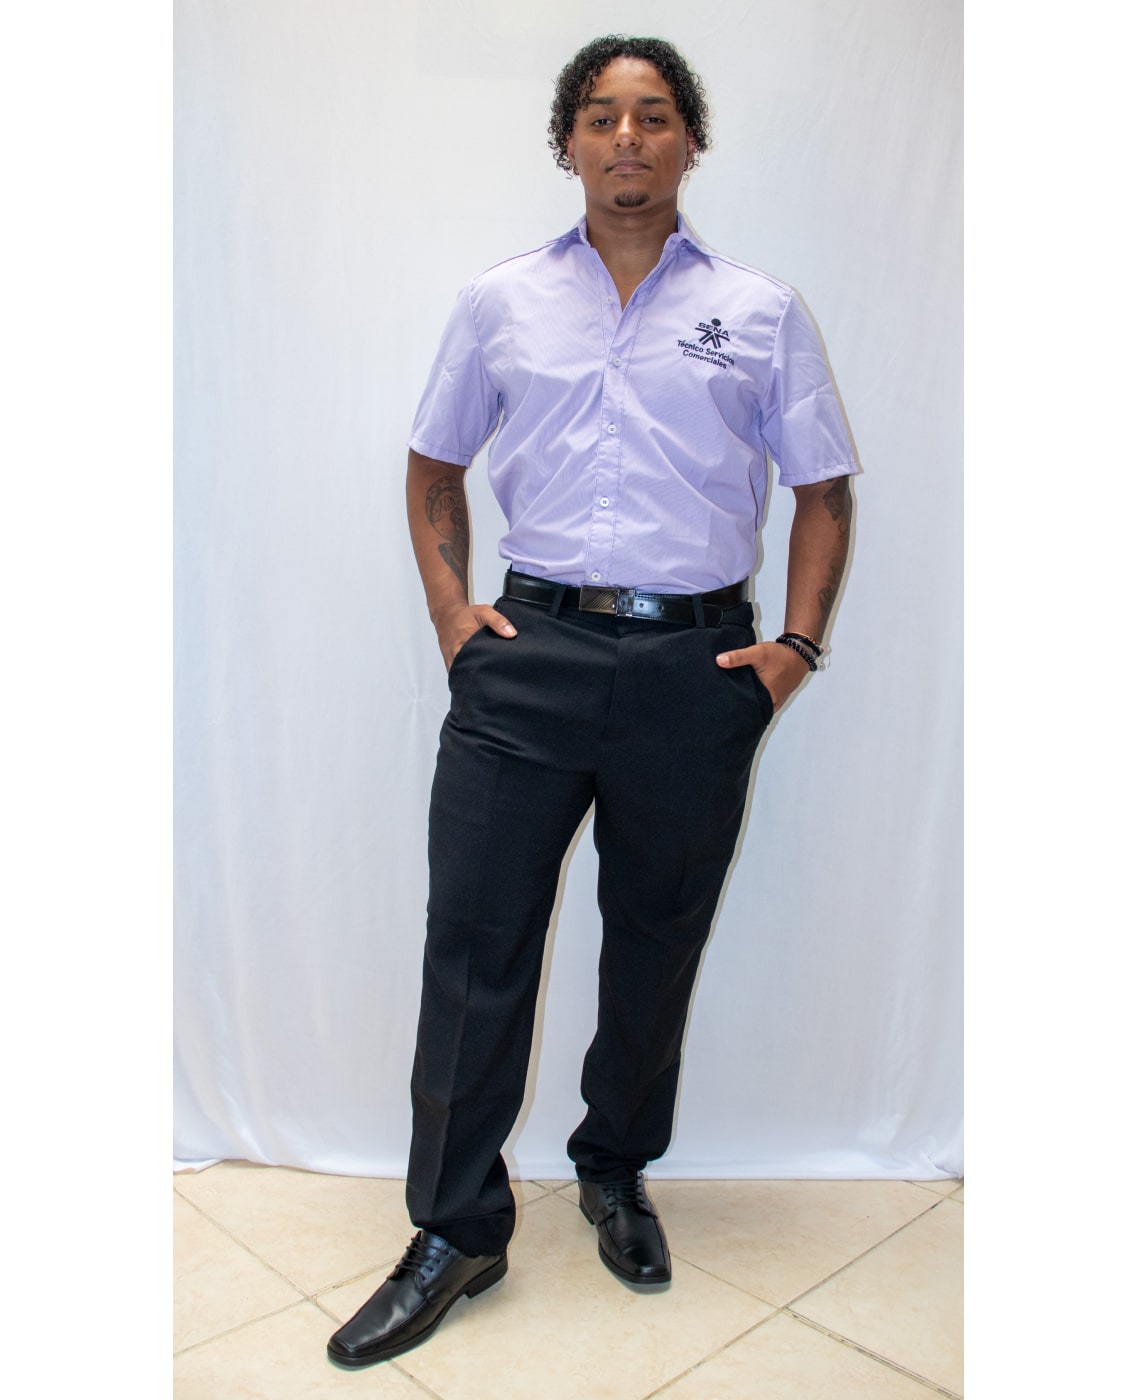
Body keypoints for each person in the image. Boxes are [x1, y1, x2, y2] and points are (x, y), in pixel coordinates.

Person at [327, 34, 857, 1370]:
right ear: (567, 141)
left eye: (655, 114)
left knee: (655, 941)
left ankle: (614, 1166)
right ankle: (456, 1228)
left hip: (698, 670)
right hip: (531, 655)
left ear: (691, 141)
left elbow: (823, 491)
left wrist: (793, 649)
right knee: (474, 944)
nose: (629, 137)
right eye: (603, 115)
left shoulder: (762, 310)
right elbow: (433, 465)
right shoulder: (500, 303)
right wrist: (455, 618)